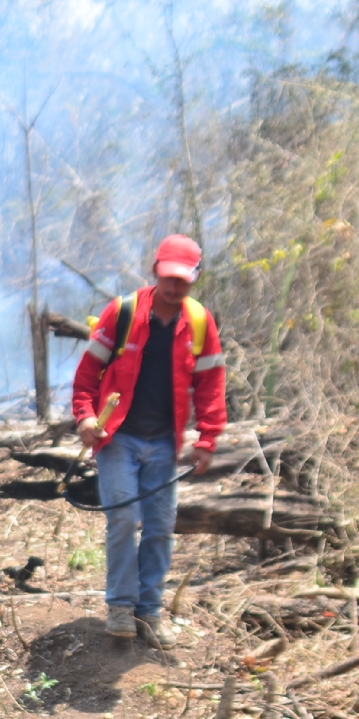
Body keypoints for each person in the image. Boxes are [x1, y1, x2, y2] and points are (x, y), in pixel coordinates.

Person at [71, 234, 226, 648]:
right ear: (156, 271)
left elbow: (210, 384)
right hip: (119, 438)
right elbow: (87, 376)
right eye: (168, 278)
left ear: (194, 279)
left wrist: (209, 437)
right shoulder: (122, 314)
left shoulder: (199, 323)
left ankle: (149, 609)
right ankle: (121, 607)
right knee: (123, 518)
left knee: (160, 526)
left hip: (164, 444)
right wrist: (86, 416)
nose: (174, 288)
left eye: (183, 281)